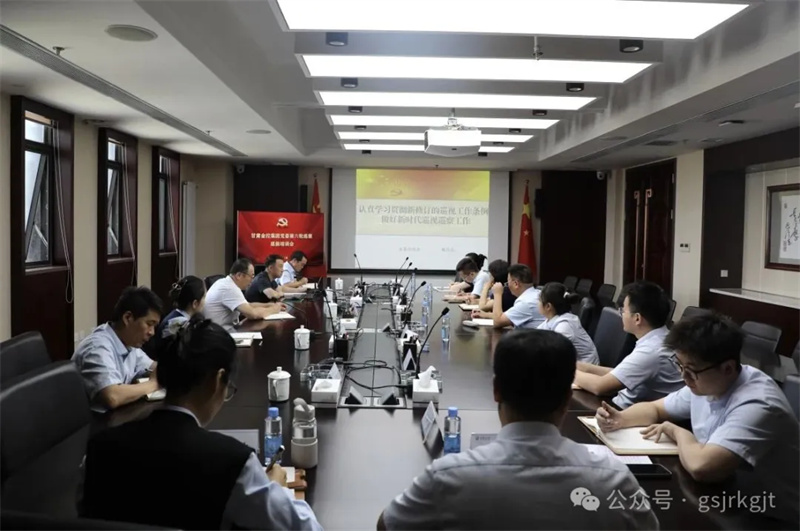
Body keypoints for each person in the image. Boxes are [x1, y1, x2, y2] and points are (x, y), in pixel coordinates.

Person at [377, 329, 658, 530]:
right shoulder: (612, 477)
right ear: (567, 398)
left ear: (496, 391)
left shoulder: (449, 476)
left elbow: (387, 525)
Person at [81, 316, 323, 530]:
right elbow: (306, 527)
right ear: (218, 380)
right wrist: (276, 489)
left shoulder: (98, 448)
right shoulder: (233, 463)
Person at [596, 314, 799, 525]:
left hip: (773, 516)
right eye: (680, 366)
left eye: (691, 371)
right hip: (727, 497)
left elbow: (702, 467)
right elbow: (655, 408)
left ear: (728, 368)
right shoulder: (708, 381)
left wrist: (678, 432)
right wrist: (620, 418)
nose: (684, 378)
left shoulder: (758, 403)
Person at [574, 280, 683, 408]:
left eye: (623, 310)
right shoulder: (659, 338)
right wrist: (582, 367)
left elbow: (599, 386)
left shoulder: (651, 350)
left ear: (637, 318)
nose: (621, 314)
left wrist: (566, 370)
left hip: (624, 412)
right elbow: (622, 373)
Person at [72, 287, 162, 412]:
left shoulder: (129, 344)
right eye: (149, 324)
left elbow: (154, 368)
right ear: (127, 318)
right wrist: (153, 383)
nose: (152, 332)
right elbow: (112, 396)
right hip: (93, 421)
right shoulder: (98, 347)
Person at [204, 258, 284, 331]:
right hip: (219, 334)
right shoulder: (229, 288)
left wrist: (269, 305)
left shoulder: (227, 283)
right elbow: (253, 314)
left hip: (223, 331)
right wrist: (274, 309)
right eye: (251, 276)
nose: (252, 281)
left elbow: (247, 305)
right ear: (239, 275)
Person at [537, 282, 599, 364]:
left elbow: (552, 355)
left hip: (586, 368)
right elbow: (536, 335)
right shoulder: (553, 318)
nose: (537, 303)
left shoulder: (565, 326)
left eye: (539, 300)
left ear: (548, 306)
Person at [474, 264, 544, 330]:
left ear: (516, 284)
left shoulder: (526, 302)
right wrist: (486, 315)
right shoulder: (536, 294)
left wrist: (497, 294)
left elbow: (497, 322)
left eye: (507, 283)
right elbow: (507, 317)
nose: (507, 286)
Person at [157, 275, 206, 340]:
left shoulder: (176, 317)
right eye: (204, 297)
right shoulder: (180, 323)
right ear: (195, 303)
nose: (205, 301)